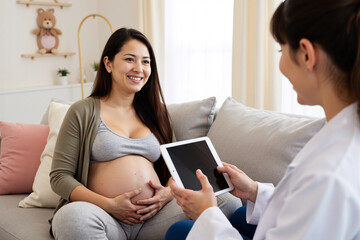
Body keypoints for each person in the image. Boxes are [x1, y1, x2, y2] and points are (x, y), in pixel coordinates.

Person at [165, 0, 360, 239]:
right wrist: (256, 191)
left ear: (307, 55)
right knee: (239, 215)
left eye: (281, 49)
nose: (281, 64)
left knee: (180, 231)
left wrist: (207, 213)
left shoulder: (328, 174)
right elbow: (301, 209)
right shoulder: (343, 135)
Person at [49, 28, 241, 240]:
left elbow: (174, 171)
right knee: (72, 219)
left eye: (146, 62)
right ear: (108, 64)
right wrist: (110, 205)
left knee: (227, 203)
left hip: (155, 218)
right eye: (130, 59)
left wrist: (166, 195)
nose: (139, 68)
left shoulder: (157, 114)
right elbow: (60, 177)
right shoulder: (83, 111)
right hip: (104, 215)